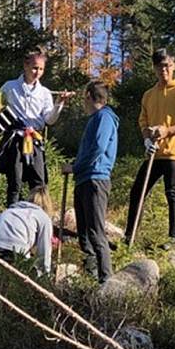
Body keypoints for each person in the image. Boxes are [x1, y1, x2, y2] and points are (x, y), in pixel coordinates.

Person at [124, 48, 175, 249]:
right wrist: (147, 139)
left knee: (172, 192)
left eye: (167, 66)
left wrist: (168, 131)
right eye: (159, 66)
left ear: (173, 66)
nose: (163, 70)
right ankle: (129, 237)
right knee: (137, 191)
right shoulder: (149, 95)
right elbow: (143, 121)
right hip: (154, 152)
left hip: (174, 153)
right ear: (154, 68)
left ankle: (174, 238)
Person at [0, 47, 74, 206]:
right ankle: (11, 217)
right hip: (15, 139)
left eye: (41, 69)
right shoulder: (9, 87)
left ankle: (37, 218)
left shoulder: (45, 93)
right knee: (15, 182)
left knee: (39, 183)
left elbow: (49, 120)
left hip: (35, 140)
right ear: (25, 66)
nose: (37, 72)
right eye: (34, 67)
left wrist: (59, 103)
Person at [61, 81, 118, 284]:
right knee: (84, 233)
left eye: (84, 98)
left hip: (95, 179)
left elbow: (98, 148)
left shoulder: (104, 118)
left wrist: (75, 166)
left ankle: (106, 280)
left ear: (89, 96)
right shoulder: (94, 119)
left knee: (95, 231)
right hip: (84, 179)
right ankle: (91, 277)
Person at [0, 186, 54, 275]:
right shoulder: (43, 217)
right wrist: (45, 273)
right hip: (15, 249)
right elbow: (44, 250)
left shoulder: (11, 210)